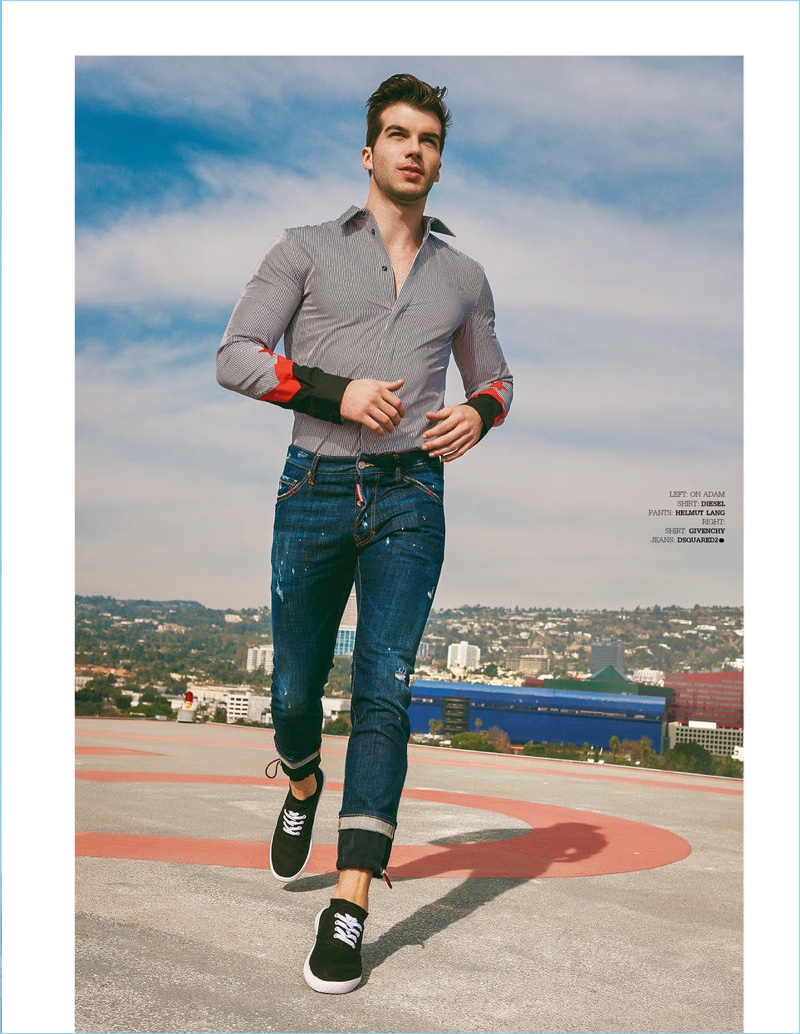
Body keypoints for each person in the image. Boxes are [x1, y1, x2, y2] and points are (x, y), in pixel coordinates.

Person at [216, 72, 513, 994]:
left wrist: (481, 415)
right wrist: (334, 391)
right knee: (298, 692)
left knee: (383, 688)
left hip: (410, 497)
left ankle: (348, 902)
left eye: (429, 138)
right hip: (311, 486)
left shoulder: (464, 276)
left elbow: (497, 377)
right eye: (398, 134)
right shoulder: (303, 249)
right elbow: (234, 357)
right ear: (369, 152)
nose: (414, 150)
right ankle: (302, 781)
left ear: (438, 159)